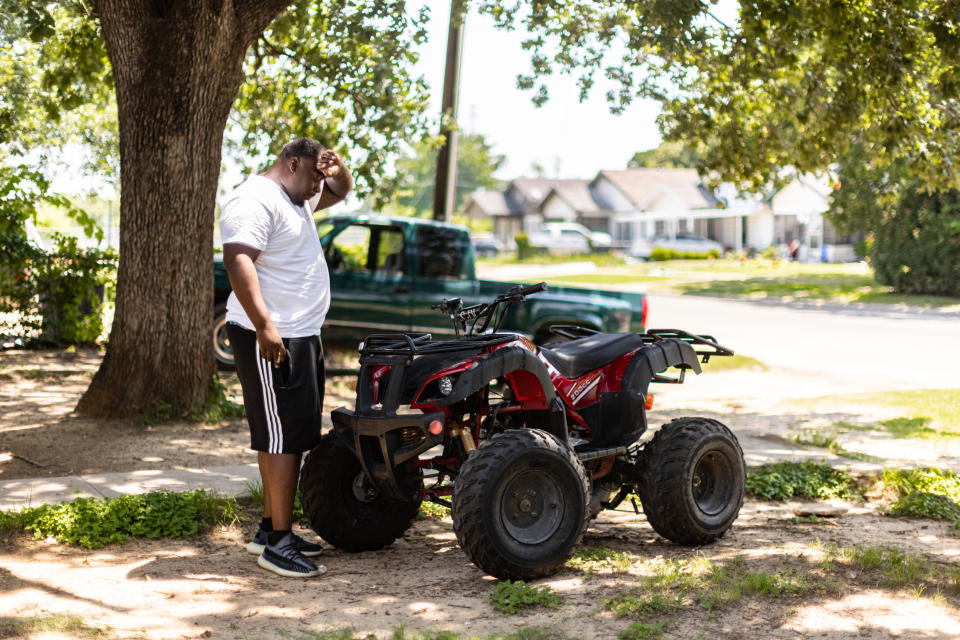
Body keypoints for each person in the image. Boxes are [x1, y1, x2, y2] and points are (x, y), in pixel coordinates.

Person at [220, 137, 352, 578]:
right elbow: (238, 260)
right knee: (281, 439)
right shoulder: (254, 199)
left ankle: (269, 529)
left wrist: (337, 167)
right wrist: (264, 325)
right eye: (314, 175)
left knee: (288, 434)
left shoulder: (297, 197)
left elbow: (343, 189)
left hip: (301, 335)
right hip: (272, 336)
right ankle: (277, 544)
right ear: (292, 163)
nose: (319, 185)